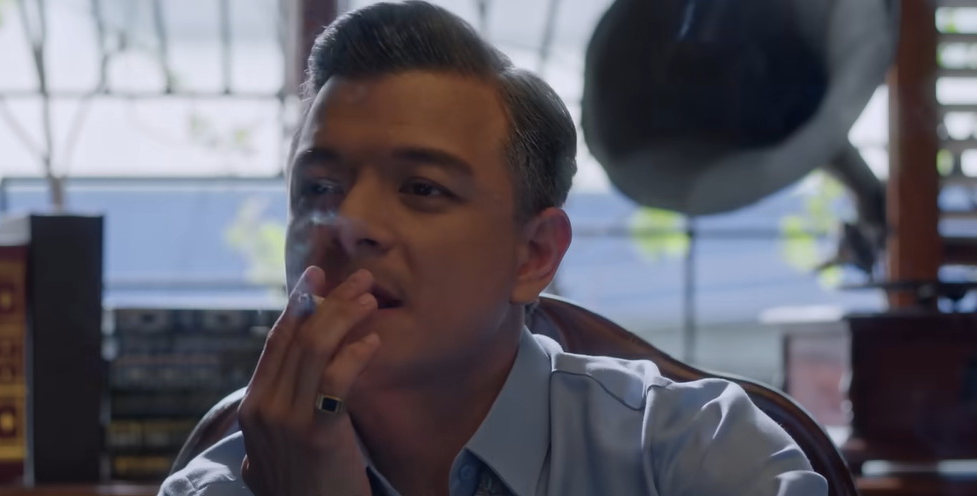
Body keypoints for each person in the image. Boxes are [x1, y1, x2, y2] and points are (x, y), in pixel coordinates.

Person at [161, 1, 827, 495]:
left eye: (421, 188)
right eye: (320, 187)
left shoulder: (697, 454)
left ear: (534, 255)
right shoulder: (215, 488)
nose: (351, 222)